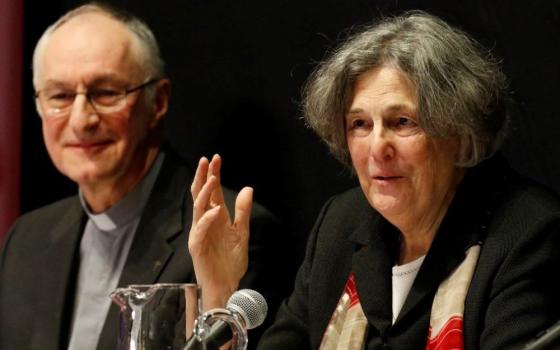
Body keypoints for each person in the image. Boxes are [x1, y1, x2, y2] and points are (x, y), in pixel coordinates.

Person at [188, 10, 560, 349]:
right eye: (360, 124)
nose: (377, 147)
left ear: (460, 131)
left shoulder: (527, 233)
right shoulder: (342, 223)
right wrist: (219, 295)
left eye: (402, 122)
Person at [0, 3, 286, 350]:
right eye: (59, 96)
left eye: (106, 93)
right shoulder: (25, 239)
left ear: (159, 101)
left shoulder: (228, 232)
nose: (81, 120)